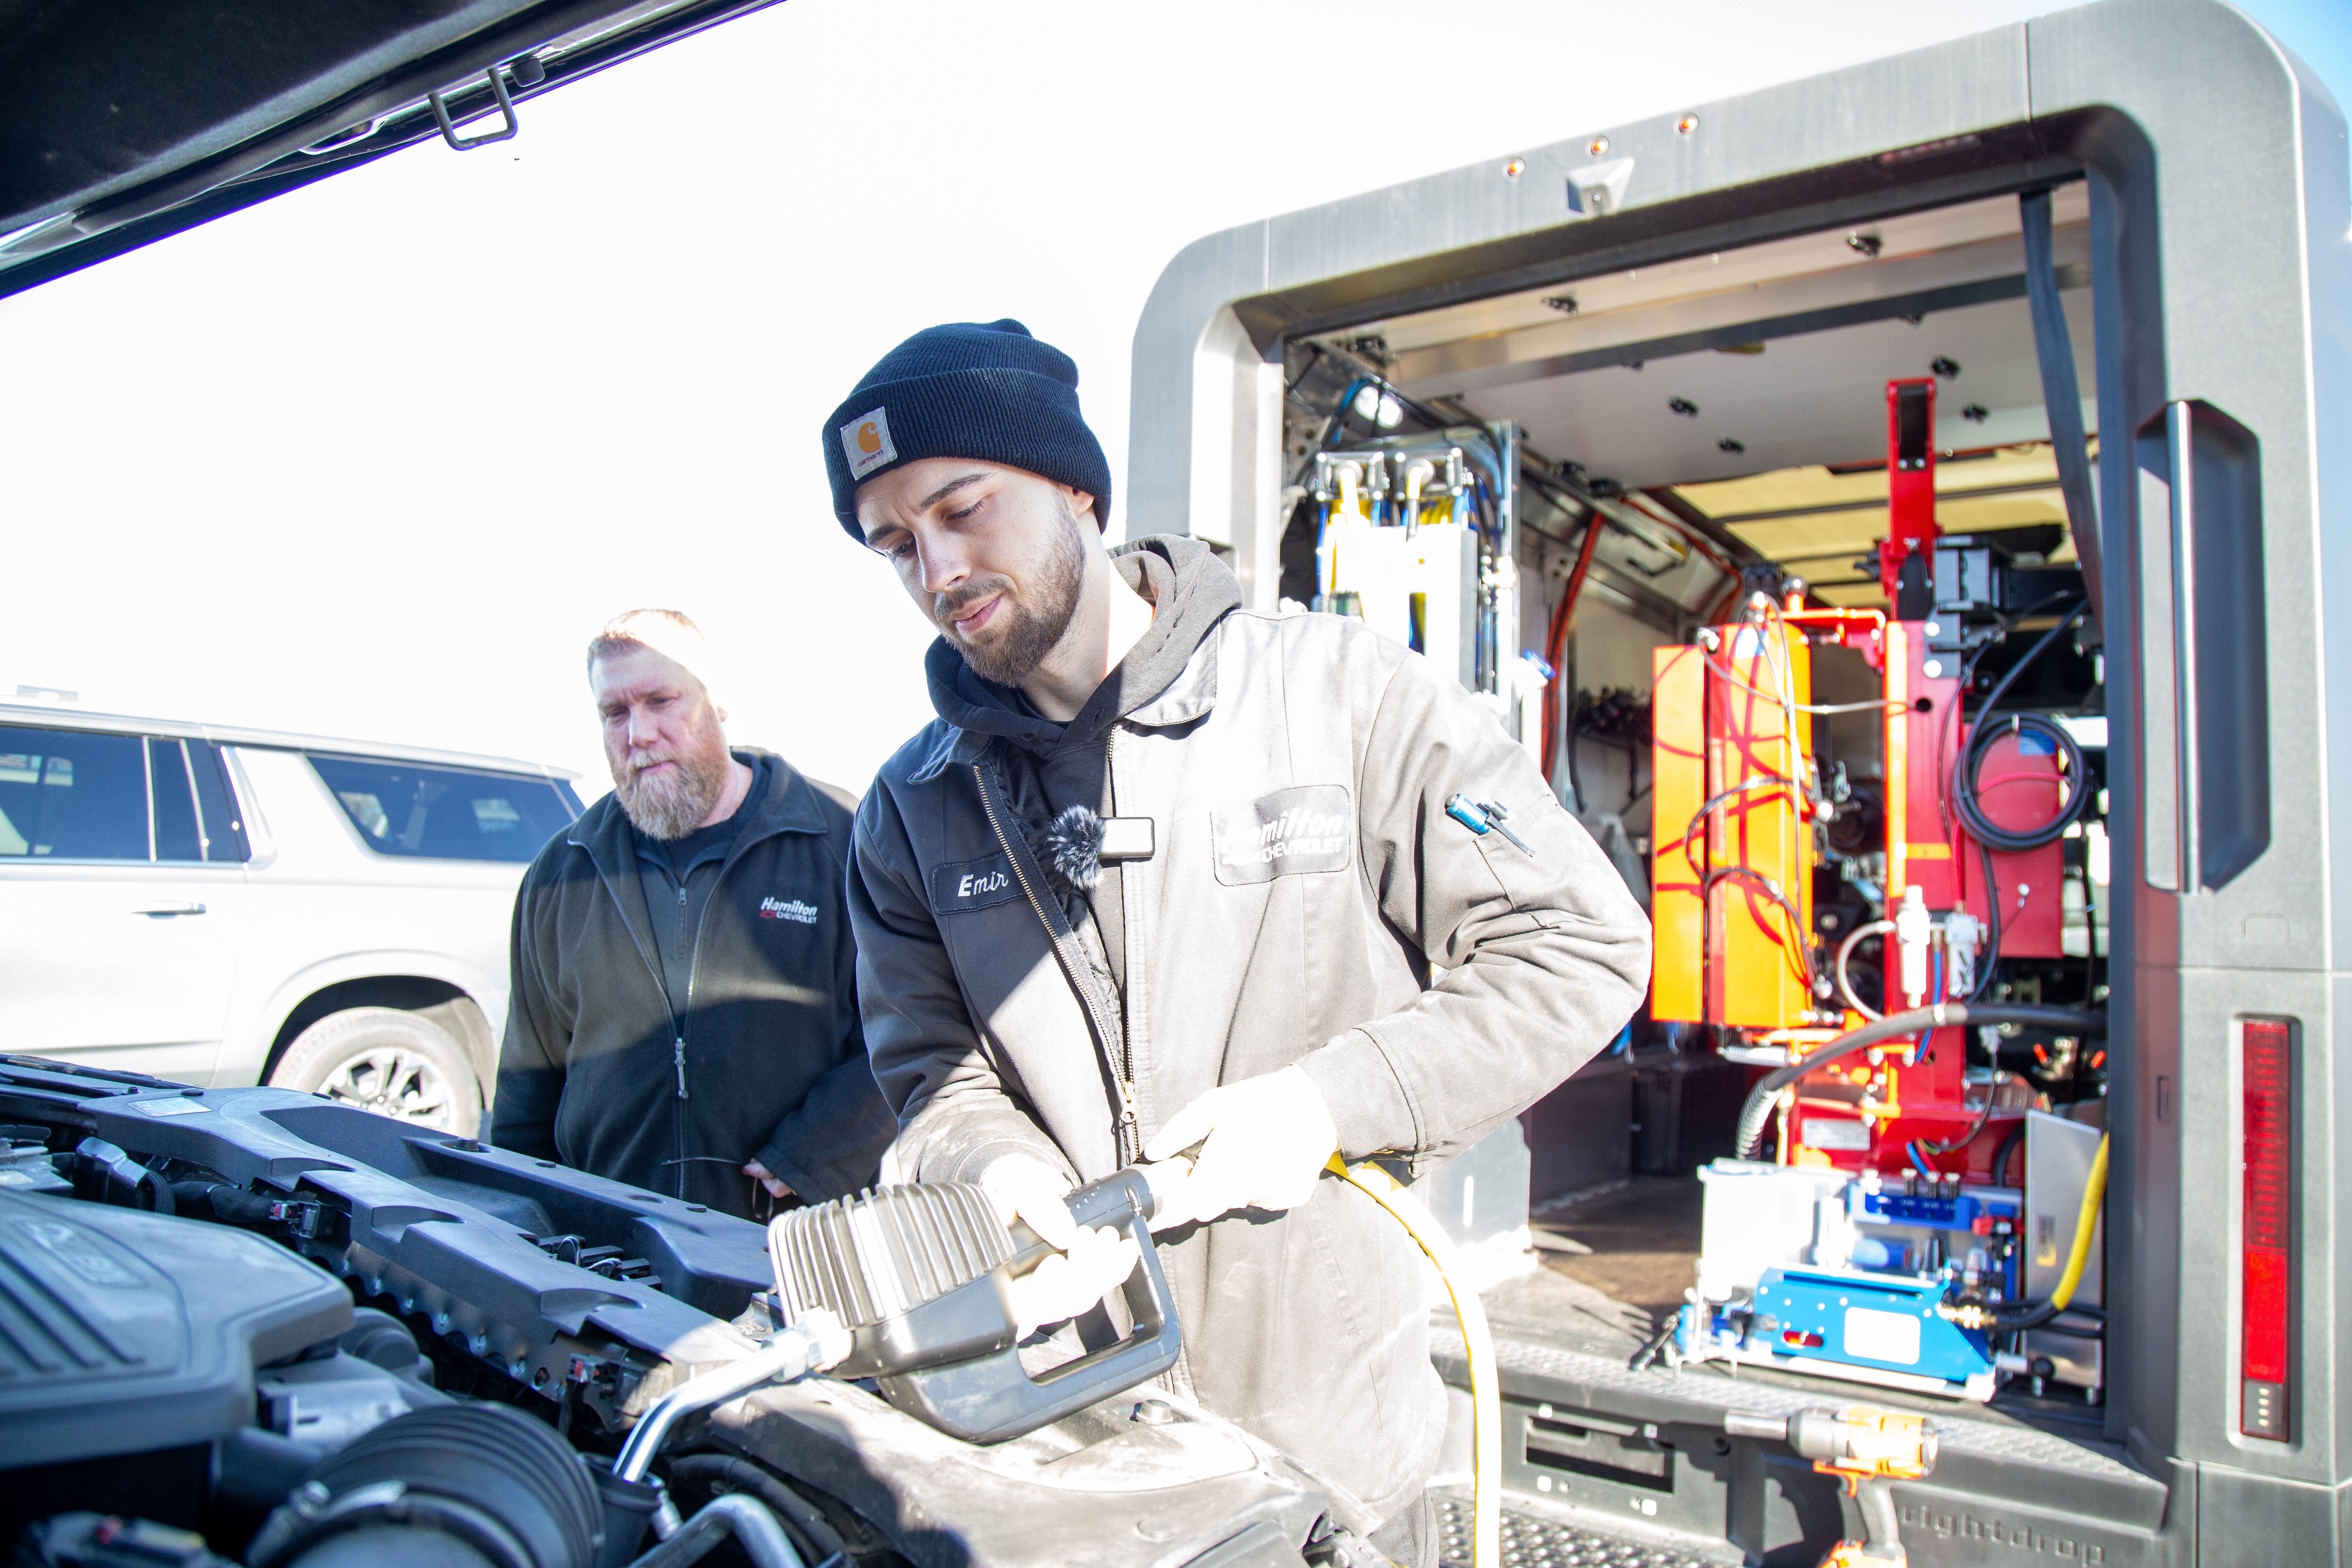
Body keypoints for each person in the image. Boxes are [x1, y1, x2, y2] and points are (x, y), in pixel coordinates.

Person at [827, 320, 1651, 1565]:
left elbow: (1578, 943)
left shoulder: (1341, 695)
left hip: (1332, 1459)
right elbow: (929, 1069)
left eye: (962, 508)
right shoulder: (912, 809)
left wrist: (1329, 1101)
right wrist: (992, 1166)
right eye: (897, 545)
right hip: (1066, 1459)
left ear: (1075, 488)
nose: (937, 568)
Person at [493, 609, 895, 1219]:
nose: (640, 734)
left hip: (794, 1234)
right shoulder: (562, 871)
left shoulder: (840, 841)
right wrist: (520, 1221)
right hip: (612, 1243)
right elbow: (528, 1086)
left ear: (718, 698)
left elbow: (908, 1027)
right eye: (616, 713)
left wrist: (818, 1155)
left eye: (661, 700)